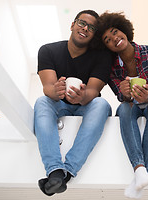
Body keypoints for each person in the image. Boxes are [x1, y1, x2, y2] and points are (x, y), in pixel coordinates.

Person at [97, 12, 148, 199]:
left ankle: (139, 174)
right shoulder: (112, 68)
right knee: (123, 108)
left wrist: (147, 96)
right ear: (106, 47)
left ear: (124, 30)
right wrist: (125, 94)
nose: (114, 39)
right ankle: (140, 170)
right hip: (133, 108)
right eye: (108, 40)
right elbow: (120, 96)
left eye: (115, 32)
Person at [34, 10, 112, 196]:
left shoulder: (102, 57)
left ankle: (66, 172)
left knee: (101, 104)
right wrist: (56, 90)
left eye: (91, 28)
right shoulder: (48, 50)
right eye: (81, 23)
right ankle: (55, 170)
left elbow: (93, 91)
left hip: (86, 105)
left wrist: (82, 97)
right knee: (41, 102)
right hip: (58, 104)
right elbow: (48, 88)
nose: (85, 28)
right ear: (72, 24)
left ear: (94, 36)